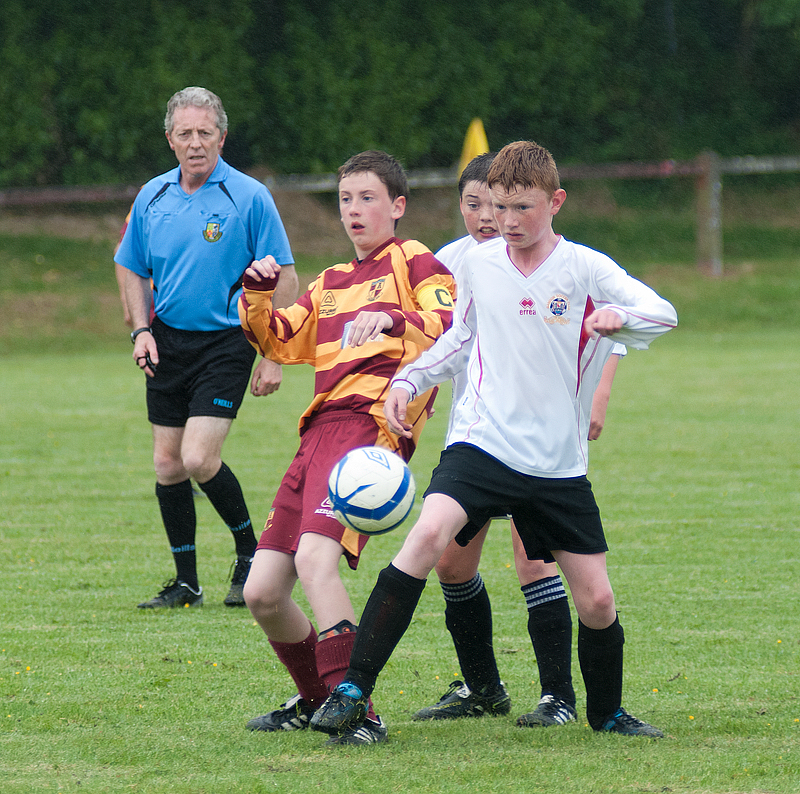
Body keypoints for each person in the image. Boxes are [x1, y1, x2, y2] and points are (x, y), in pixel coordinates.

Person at [310, 140, 677, 741]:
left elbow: (663, 313)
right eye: (499, 207)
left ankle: (607, 714)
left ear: (555, 201)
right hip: (482, 445)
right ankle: (353, 688)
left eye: (522, 208)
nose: (506, 221)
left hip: (557, 465)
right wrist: (410, 378)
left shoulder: (586, 268)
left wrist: (622, 319)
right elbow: (460, 338)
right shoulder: (479, 264)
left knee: (598, 603)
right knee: (427, 537)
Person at [237, 150, 457, 746]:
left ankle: (360, 710)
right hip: (317, 433)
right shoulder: (329, 282)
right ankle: (317, 700)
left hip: (368, 427)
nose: (354, 210)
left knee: (315, 560)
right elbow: (279, 341)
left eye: (367, 198)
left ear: (398, 206)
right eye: (345, 199)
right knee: (262, 592)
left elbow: (448, 329)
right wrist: (256, 295)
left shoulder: (416, 261)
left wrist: (390, 318)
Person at [413, 152, 625, 727]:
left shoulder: (557, 260)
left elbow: (610, 321)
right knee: (451, 563)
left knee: (535, 563)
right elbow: (432, 335)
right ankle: (482, 687)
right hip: (475, 437)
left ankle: (558, 696)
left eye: (499, 204)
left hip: (543, 444)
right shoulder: (450, 263)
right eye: (475, 204)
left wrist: (600, 394)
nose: (490, 217)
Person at [115, 86, 298, 609]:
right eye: (185, 134)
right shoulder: (152, 196)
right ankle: (187, 584)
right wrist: (141, 330)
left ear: (222, 136)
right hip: (167, 340)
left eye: (205, 132)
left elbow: (286, 277)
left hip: (227, 341)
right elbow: (129, 265)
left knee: (197, 457)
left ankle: (251, 554)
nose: (195, 142)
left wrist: (273, 354)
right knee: (167, 464)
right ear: (169, 139)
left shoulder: (250, 197)